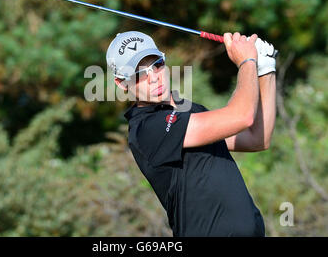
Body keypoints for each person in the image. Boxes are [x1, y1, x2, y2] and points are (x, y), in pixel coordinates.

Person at [106, 31, 277, 237]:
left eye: (157, 65)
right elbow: (243, 116)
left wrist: (265, 69)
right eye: (139, 74)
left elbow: (257, 138)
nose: (153, 78)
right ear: (121, 82)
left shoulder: (191, 111)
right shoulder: (146, 128)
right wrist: (247, 61)